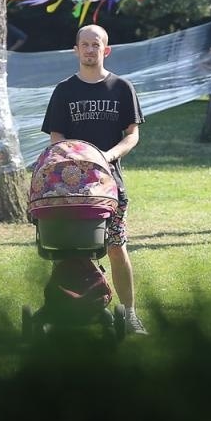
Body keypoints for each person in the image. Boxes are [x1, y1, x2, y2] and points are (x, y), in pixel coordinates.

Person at [41, 25, 147, 335]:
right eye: (84, 44)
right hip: (68, 188)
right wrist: (72, 157)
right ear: (75, 50)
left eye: (96, 44)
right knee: (64, 250)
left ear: (106, 49)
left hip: (109, 186)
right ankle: (60, 312)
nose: (90, 49)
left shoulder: (121, 88)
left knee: (116, 247)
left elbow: (132, 134)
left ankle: (129, 315)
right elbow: (56, 135)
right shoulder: (64, 91)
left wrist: (108, 155)